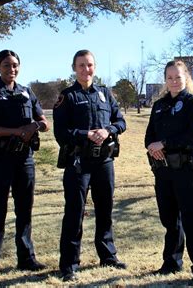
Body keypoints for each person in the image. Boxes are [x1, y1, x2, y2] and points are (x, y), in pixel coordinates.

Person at [0, 50, 49, 286]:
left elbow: (44, 121)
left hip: (24, 160)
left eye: (15, 65)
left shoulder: (26, 91)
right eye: (6, 65)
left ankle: (26, 258)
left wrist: (34, 125)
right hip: (0, 160)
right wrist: (16, 131)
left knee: (24, 211)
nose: (12, 69)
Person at [53, 50, 127, 282]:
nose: (87, 69)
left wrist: (108, 131)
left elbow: (120, 121)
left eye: (90, 65)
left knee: (105, 209)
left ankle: (108, 255)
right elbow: (61, 133)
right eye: (82, 65)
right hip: (79, 162)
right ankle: (69, 264)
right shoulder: (67, 96)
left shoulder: (105, 94)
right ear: (74, 68)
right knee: (75, 212)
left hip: (104, 161)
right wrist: (86, 134)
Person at [145, 60, 193, 284]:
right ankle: (172, 262)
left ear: (187, 78)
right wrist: (153, 148)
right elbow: (149, 136)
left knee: (192, 219)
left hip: (186, 170)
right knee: (169, 220)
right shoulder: (159, 105)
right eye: (169, 78)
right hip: (163, 171)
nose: (174, 81)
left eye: (178, 77)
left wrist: (163, 143)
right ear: (165, 80)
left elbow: (192, 136)